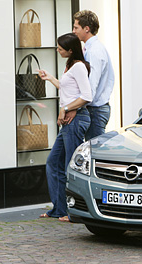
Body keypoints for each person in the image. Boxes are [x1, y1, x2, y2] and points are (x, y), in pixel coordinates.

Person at [38, 33, 92, 222]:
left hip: (75, 120)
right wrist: (50, 78)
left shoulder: (78, 67)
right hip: (70, 121)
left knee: (72, 166)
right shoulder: (71, 65)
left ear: (70, 50)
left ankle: (74, 212)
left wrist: (66, 108)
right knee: (54, 163)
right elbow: (67, 88)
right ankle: (59, 208)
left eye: (60, 48)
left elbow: (87, 96)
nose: (57, 50)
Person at [72, 10, 115, 141]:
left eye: (76, 27)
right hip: (94, 109)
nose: (74, 31)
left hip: (95, 110)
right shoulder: (92, 49)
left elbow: (90, 87)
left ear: (87, 29)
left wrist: (74, 106)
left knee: (94, 153)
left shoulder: (94, 52)